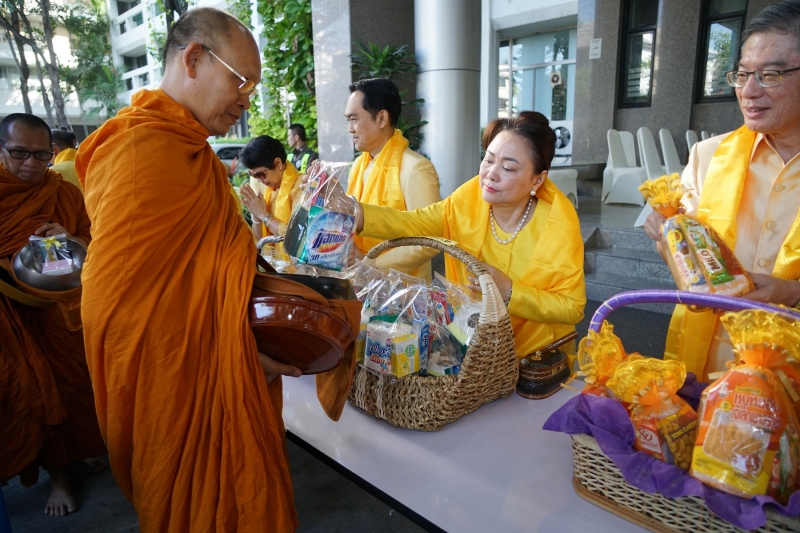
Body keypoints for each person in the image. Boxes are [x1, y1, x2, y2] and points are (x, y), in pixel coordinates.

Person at [74, 8, 301, 532]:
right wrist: (240, 352)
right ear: (194, 59)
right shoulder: (138, 151)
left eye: (254, 86)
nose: (248, 98)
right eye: (241, 81)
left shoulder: (196, 156)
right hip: (171, 390)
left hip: (225, 367)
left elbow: (214, 270)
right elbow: (121, 316)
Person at [643, 0, 800, 380]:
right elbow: (688, 265)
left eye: (770, 75)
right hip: (710, 362)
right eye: (742, 74)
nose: (749, 91)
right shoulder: (708, 155)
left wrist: (791, 292)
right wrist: (668, 237)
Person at [351, 111, 586, 357]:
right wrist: (357, 212)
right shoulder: (467, 200)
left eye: (508, 167)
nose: (491, 174)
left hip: (535, 360)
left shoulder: (557, 225)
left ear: (538, 181)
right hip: (473, 353)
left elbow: (572, 307)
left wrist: (510, 292)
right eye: (488, 160)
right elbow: (415, 222)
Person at [0, 113, 106, 516]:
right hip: (11, 313)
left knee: (74, 384)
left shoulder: (63, 192)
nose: (30, 163)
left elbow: (93, 239)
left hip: (58, 308)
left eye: (40, 155)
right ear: (2, 150)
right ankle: (58, 478)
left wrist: (70, 238)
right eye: (19, 153)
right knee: (33, 392)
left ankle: (77, 456)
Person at [345, 78, 441, 281]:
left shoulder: (415, 167)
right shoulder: (358, 165)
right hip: (359, 282)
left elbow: (428, 240)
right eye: (348, 120)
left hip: (403, 291)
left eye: (354, 119)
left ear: (381, 119)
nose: (350, 129)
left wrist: (370, 265)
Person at [239, 136, 302, 246]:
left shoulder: (301, 187)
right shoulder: (270, 191)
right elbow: (261, 240)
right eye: (252, 175)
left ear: (278, 163)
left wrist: (264, 215)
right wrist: (255, 214)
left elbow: (295, 236)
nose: (259, 180)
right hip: (275, 261)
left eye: (260, 174)